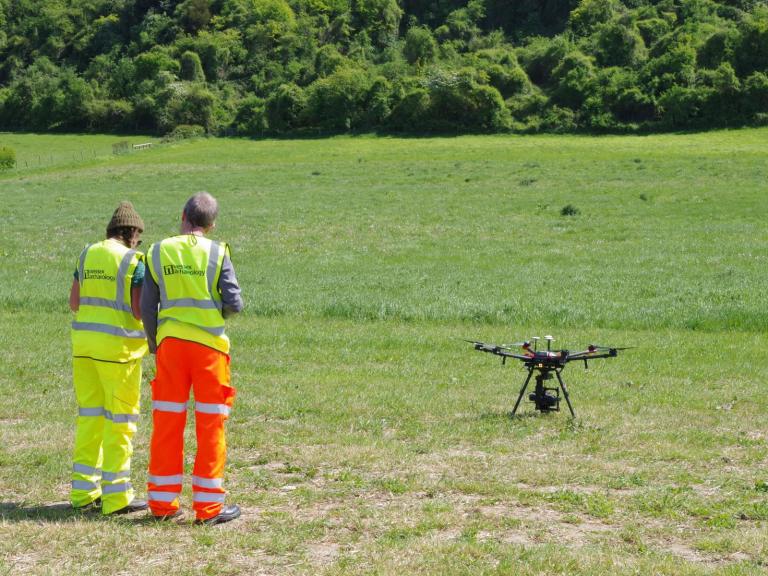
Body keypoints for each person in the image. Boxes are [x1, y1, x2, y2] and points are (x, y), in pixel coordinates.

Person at [141, 192, 244, 525]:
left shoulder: (156, 251)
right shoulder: (218, 252)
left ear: (182, 214)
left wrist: (156, 343)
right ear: (211, 224)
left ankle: (161, 504)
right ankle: (208, 509)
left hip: (170, 348)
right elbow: (235, 302)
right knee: (210, 424)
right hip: (210, 351)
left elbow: (147, 306)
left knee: (168, 423)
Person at [69, 201, 149, 515]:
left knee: (90, 418)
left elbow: (75, 302)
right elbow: (138, 309)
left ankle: (84, 493)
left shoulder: (86, 254)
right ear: (132, 233)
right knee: (121, 422)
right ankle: (117, 498)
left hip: (84, 349)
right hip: (118, 354)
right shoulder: (133, 260)